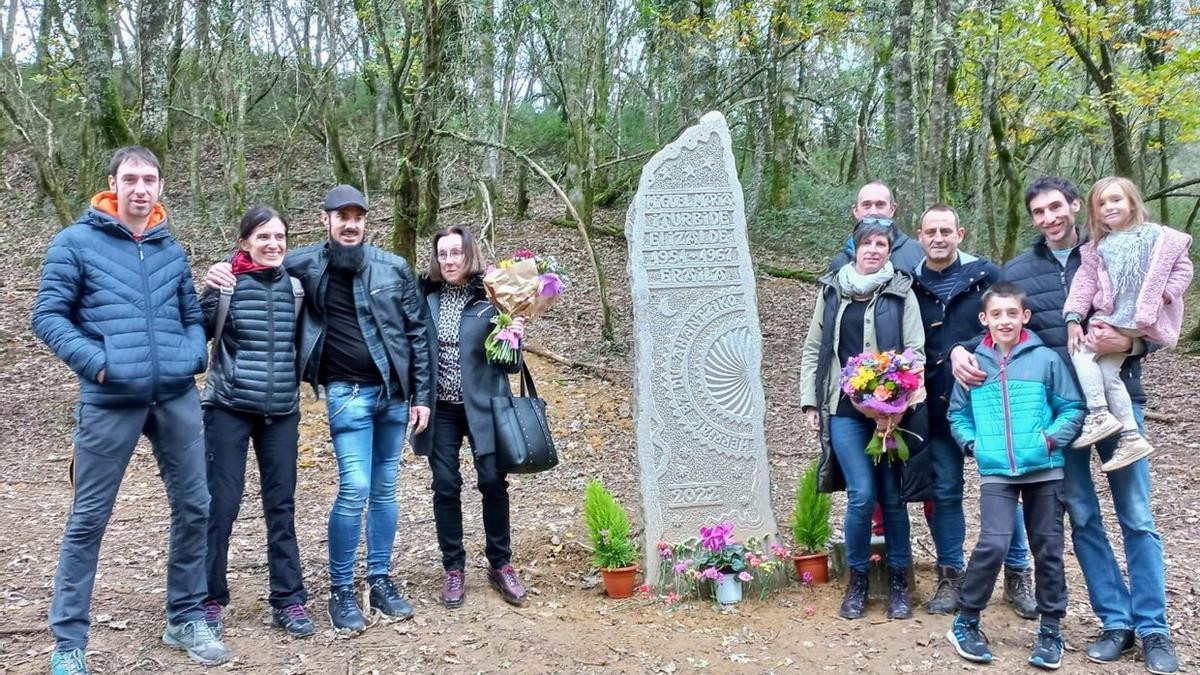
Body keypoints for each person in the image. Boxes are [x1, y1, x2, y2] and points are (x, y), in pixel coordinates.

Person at [950, 175, 1179, 674]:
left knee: (1136, 515)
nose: (1050, 218)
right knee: (1084, 517)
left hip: (1118, 405)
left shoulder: (1114, 250)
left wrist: (1133, 345)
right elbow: (988, 327)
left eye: (1057, 207)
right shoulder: (1018, 270)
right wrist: (957, 350)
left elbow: (1156, 322)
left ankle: (1153, 628)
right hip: (1056, 416)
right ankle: (1114, 622)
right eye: (1039, 212)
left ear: (1076, 205)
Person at [32, 146, 228, 673]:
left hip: (175, 397)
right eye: (131, 179)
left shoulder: (170, 249)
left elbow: (191, 315)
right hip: (109, 398)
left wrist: (191, 356)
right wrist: (99, 364)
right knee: (88, 518)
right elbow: (48, 316)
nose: (141, 188)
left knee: (195, 506)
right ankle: (69, 643)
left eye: (151, 179)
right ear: (112, 184)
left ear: (161, 187)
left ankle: (184, 616)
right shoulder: (75, 242)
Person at [206, 184, 433, 633]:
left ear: (367, 221)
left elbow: (417, 332)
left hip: (393, 396)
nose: (351, 223)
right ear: (325, 219)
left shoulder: (394, 267)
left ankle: (380, 579)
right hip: (345, 394)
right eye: (341, 216)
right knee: (355, 489)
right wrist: (222, 270)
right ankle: (340, 589)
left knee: (385, 490)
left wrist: (421, 395)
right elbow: (257, 262)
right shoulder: (302, 262)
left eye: (359, 216)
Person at [945, 283, 1084, 670]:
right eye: (996, 314)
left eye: (1011, 313)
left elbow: (1072, 407)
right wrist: (975, 446)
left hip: (1044, 470)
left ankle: (1051, 629)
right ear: (984, 319)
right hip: (996, 473)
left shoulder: (1045, 360)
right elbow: (957, 414)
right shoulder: (974, 363)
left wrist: (1049, 440)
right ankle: (966, 621)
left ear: (1024, 316)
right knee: (993, 543)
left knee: (1049, 549)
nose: (1004, 320)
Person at [800, 219, 930, 621]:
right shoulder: (833, 291)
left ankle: (896, 583)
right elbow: (813, 349)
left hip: (892, 414)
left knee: (892, 498)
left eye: (881, 244)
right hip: (844, 411)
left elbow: (916, 353)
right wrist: (809, 403)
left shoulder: (901, 291)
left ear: (889, 250)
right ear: (854, 248)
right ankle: (856, 581)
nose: (874, 249)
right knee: (860, 495)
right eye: (866, 243)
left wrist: (895, 402)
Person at [911, 204, 1036, 618]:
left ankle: (1017, 575)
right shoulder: (908, 283)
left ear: (960, 234)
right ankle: (951, 576)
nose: (939, 237)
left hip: (988, 403)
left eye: (946, 230)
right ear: (920, 235)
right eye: (931, 231)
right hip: (934, 407)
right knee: (946, 492)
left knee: (1003, 488)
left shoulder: (986, 276)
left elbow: (1010, 327)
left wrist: (969, 349)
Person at [199, 205, 314, 638]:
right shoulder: (226, 285)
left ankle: (289, 601)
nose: (273, 244)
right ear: (244, 241)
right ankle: (209, 599)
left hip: (281, 411)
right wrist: (209, 285)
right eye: (263, 237)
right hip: (227, 408)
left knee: (281, 508)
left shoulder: (298, 289)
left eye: (280, 237)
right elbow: (196, 329)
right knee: (220, 507)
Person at [412, 224, 529, 608]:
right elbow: (413, 349)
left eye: (455, 253)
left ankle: (500, 563)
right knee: (445, 485)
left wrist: (515, 333)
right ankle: (454, 568)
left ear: (469, 255)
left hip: (485, 406)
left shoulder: (492, 295)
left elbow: (510, 366)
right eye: (442, 254)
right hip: (439, 408)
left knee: (493, 483)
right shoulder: (422, 295)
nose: (448, 260)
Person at [1064, 177, 1192, 472]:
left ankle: (1098, 413)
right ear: (1094, 212)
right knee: (1108, 374)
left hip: (1138, 316)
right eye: (1101, 203)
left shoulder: (1156, 237)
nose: (1109, 207)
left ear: (1132, 201)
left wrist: (1165, 295)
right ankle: (1132, 437)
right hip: (1114, 315)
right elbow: (1084, 284)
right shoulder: (1099, 246)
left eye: (1116, 200)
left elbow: (1183, 268)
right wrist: (1072, 316)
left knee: (1082, 352)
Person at [827, 182, 925, 273]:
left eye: (880, 205)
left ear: (892, 210)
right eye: (866, 205)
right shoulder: (841, 261)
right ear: (856, 211)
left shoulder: (916, 252)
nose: (873, 212)